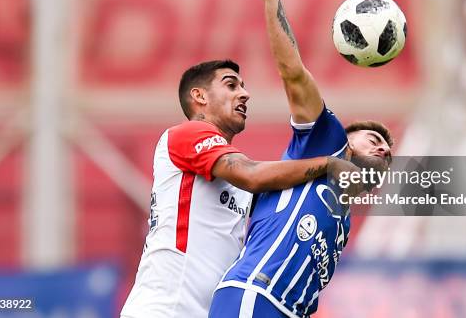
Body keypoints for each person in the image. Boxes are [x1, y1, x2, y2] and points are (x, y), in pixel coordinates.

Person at [209, 0, 394, 318]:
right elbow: (293, 74)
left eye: (388, 152)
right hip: (255, 298)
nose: (384, 150)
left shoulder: (343, 216)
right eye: (375, 140)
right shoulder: (327, 142)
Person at [120, 60, 359, 318]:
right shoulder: (187, 134)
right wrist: (329, 163)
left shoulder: (236, 180)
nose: (244, 94)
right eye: (231, 85)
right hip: (165, 308)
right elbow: (252, 175)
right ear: (199, 96)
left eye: (242, 87)